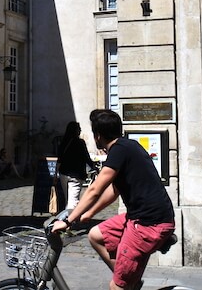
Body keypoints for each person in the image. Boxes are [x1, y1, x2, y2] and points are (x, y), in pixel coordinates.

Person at [51, 109, 174, 290]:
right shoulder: (127, 146)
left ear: (98, 135)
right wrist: (89, 213)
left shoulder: (119, 150)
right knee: (95, 235)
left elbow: (94, 189)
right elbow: (114, 190)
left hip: (148, 223)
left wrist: (68, 221)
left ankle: (124, 283)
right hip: (143, 217)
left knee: (116, 287)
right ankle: (129, 280)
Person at [57, 121, 97, 210]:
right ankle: (68, 220)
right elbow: (86, 157)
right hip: (76, 174)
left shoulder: (64, 142)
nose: (80, 131)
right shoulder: (80, 143)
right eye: (79, 129)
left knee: (68, 199)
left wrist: (56, 174)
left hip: (64, 173)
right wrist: (94, 167)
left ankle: (66, 218)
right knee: (73, 201)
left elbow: (59, 159)